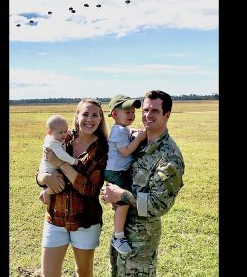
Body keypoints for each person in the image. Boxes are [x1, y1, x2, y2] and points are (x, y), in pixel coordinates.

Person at [101, 90, 185, 277]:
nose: (148, 115)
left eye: (155, 110)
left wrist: (121, 196)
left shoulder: (169, 157)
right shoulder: (139, 143)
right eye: (145, 110)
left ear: (167, 115)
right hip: (121, 236)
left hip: (141, 243)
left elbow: (158, 205)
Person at [35, 98, 109, 277]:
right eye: (85, 114)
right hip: (55, 218)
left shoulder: (102, 149)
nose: (89, 119)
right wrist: (44, 177)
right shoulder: (61, 138)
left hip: (85, 221)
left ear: (100, 119)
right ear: (77, 116)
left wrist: (60, 163)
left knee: (83, 273)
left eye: (94, 115)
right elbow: (42, 170)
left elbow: (89, 189)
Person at [105, 95, 147, 255]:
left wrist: (134, 132)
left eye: (133, 112)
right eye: (127, 112)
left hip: (117, 170)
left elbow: (128, 135)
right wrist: (140, 137)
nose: (132, 115)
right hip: (115, 171)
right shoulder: (119, 131)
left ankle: (119, 231)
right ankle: (118, 236)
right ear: (115, 114)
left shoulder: (122, 129)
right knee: (123, 201)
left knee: (121, 201)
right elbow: (126, 151)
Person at [38, 114, 80, 205]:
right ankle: (47, 192)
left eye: (65, 131)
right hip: (49, 170)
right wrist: (74, 161)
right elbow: (61, 156)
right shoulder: (53, 143)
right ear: (49, 132)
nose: (64, 135)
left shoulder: (54, 138)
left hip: (49, 168)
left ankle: (46, 191)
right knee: (61, 184)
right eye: (60, 132)